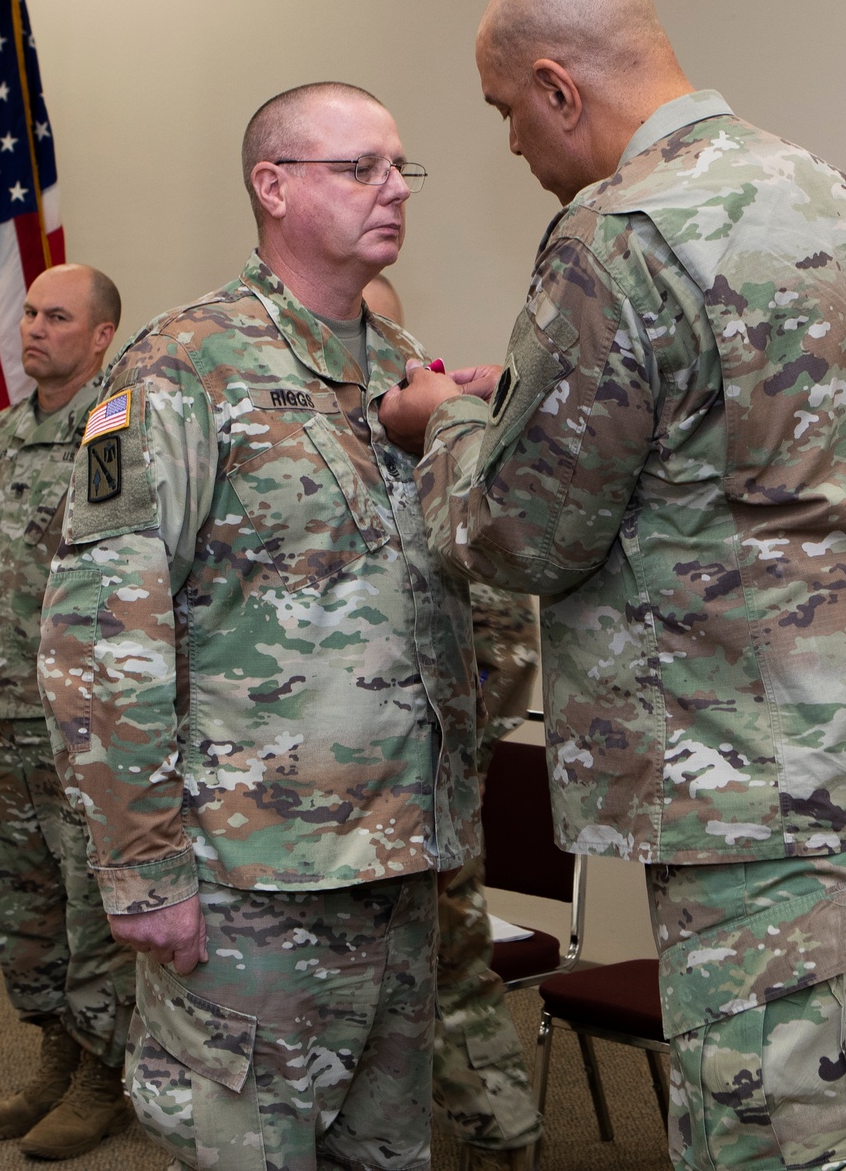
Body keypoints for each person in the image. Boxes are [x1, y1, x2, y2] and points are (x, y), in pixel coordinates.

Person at [380, 0, 846, 1171]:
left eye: (502, 114)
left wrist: (446, 429)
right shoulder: (818, 188)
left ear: (555, 87)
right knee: (832, 1129)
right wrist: (524, 415)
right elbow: (734, 447)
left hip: (755, 799)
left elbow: (523, 533)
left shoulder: (616, 233)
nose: (509, 151)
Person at [38, 82, 480, 1171]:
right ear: (272, 186)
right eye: (359, 166)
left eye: (399, 168)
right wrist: (142, 870)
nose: (392, 190)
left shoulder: (399, 370)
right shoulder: (178, 365)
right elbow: (101, 630)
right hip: (250, 881)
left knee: (386, 1153)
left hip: (393, 864)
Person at [364, 274, 543, 1170]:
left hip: (428, 779)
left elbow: (507, 639)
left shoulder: (445, 439)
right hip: (327, 793)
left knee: (450, 975)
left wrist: (448, 749)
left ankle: (502, 1144)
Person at [0, 263, 135, 1159]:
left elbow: (124, 577)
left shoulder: (109, 433)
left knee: (90, 909)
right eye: (29, 310)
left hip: (78, 722)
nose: (34, 327)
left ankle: (104, 1079)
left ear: (102, 334)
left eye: (57, 315)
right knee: (21, 910)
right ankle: (51, 1059)